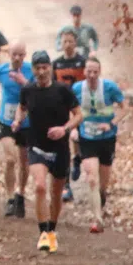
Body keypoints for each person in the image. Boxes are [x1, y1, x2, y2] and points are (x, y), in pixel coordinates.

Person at [15, 50, 81, 253]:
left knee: (56, 193)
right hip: (36, 145)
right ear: (33, 69)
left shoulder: (63, 90)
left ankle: (52, 229)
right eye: (38, 68)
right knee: (40, 186)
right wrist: (18, 120)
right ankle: (43, 232)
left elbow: (79, 115)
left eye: (45, 67)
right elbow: (22, 107)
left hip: (60, 148)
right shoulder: (28, 90)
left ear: (50, 68)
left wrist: (65, 129)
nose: (42, 72)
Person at [72, 56, 125, 234]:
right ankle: (97, 219)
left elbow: (124, 108)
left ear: (99, 72)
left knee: (102, 183)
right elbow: (69, 110)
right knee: (92, 178)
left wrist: (111, 123)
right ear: (84, 72)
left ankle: (101, 197)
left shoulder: (110, 87)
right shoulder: (77, 88)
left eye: (95, 72)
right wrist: (72, 128)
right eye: (89, 71)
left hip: (107, 138)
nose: (92, 75)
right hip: (86, 137)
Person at [0, 41, 34, 218]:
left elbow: (38, 91)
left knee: (24, 161)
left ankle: (20, 194)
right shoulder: (1, 70)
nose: (17, 58)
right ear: (9, 54)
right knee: (10, 159)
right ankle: (9, 198)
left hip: (26, 123)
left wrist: (25, 82)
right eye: (14, 54)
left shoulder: (31, 70)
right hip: (6, 121)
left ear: (25, 55)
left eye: (21, 55)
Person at [51, 30, 89, 202]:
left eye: (70, 41)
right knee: (62, 143)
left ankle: (78, 158)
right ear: (61, 43)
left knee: (79, 138)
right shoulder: (56, 64)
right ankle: (66, 185)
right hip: (62, 107)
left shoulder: (82, 62)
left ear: (75, 43)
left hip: (79, 105)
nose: (67, 44)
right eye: (64, 41)